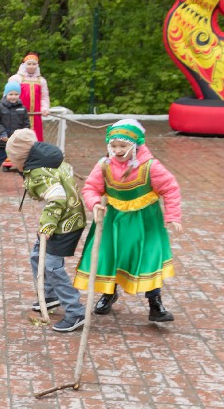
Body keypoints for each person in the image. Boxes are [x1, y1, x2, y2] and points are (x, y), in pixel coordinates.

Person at [73, 119, 182, 323]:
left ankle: (155, 303)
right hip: (113, 221)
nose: (117, 150)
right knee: (111, 256)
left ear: (135, 145)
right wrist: (94, 203)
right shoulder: (104, 165)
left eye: (123, 146)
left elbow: (170, 188)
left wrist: (173, 216)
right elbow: (91, 188)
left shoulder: (150, 166)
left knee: (148, 257)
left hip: (146, 222)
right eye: (113, 146)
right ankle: (108, 293)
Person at [6, 129, 87, 332]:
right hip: (62, 219)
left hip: (65, 224)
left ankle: (75, 311)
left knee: (51, 266)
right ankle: (50, 296)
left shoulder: (38, 173)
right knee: (37, 256)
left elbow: (57, 198)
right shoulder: (49, 160)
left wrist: (47, 226)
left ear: (22, 158)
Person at [10, 52, 50, 140]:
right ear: (24, 65)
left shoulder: (41, 81)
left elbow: (44, 97)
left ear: (37, 65)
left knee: (36, 139)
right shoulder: (16, 79)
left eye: (34, 64)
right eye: (29, 64)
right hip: (19, 115)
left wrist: (44, 108)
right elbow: (8, 96)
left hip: (36, 117)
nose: (31, 66)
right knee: (19, 139)